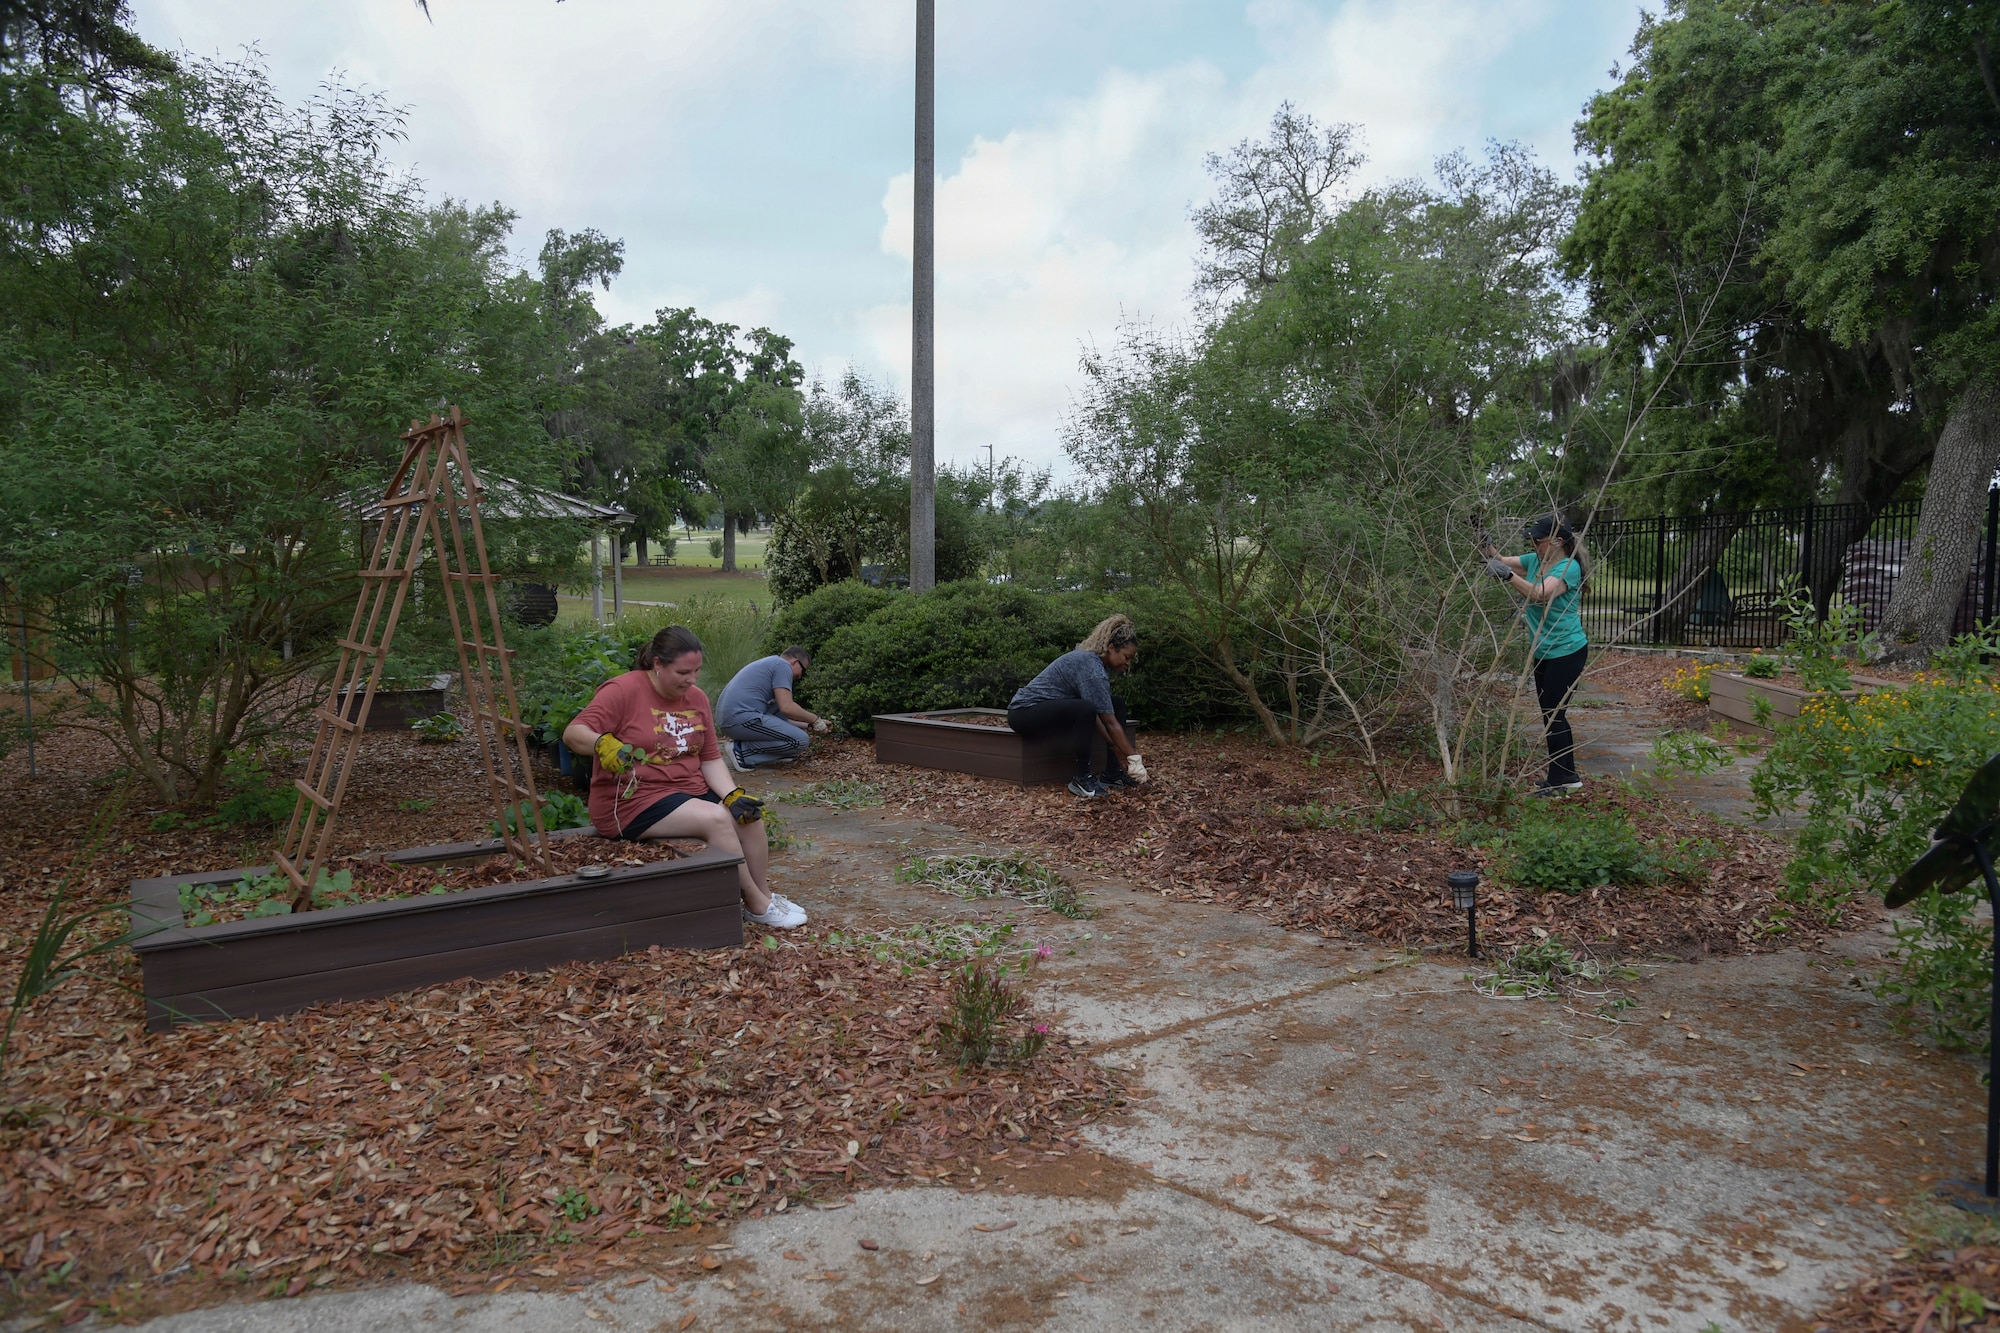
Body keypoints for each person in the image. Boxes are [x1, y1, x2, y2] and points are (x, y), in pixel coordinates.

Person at [563, 624, 807, 928]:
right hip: (633, 800)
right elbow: (573, 733)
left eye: (697, 671)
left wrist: (732, 795)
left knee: (748, 814)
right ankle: (755, 903)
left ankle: (764, 897)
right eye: (683, 673)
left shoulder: (697, 698)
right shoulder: (623, 691)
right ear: (658, 665)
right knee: (715, 819)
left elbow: (709, 759)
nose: (691, 680)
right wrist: (601, 743)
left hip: (684, 793)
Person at [1483, 515, 1589, 797]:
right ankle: (1567, 776)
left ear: (1556, 541)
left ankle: (1560, 781)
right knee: (1550, 713)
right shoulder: (1534, 561)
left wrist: (1507, 576)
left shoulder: (1569, 568)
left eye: (1537, 541)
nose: (1533, 544)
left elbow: (1540, 594)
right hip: (1543, 651)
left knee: (1555, 714)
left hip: (1567, 651)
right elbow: (1501, 559)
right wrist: (1484, 541)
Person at [1008, 613, 1150, 799]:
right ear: (1111, 648)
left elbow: (1097, 715)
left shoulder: (1095, 664)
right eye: (1126, 657)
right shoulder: (1092, 669)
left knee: (1116, 704)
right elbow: (1107, 722)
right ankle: (1082, 778)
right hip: (1024, 712)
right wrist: (1134, 759)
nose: (1128, 663)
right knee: (1086, 708)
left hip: (1051, 712)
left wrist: (1118, 752)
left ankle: (1113, 774)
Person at [717, 645, 829, 771]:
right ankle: (742, 752)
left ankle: (749, 751)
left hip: (732, 720)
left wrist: (810, 725)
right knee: (800, 740)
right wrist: (815, 719)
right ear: (795, 661)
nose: (801, 676)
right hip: (740, 718)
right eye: (803, 670)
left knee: (791, 748)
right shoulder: (783, 665)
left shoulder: (770, 665)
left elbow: (781, 717)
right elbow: (787, 707)